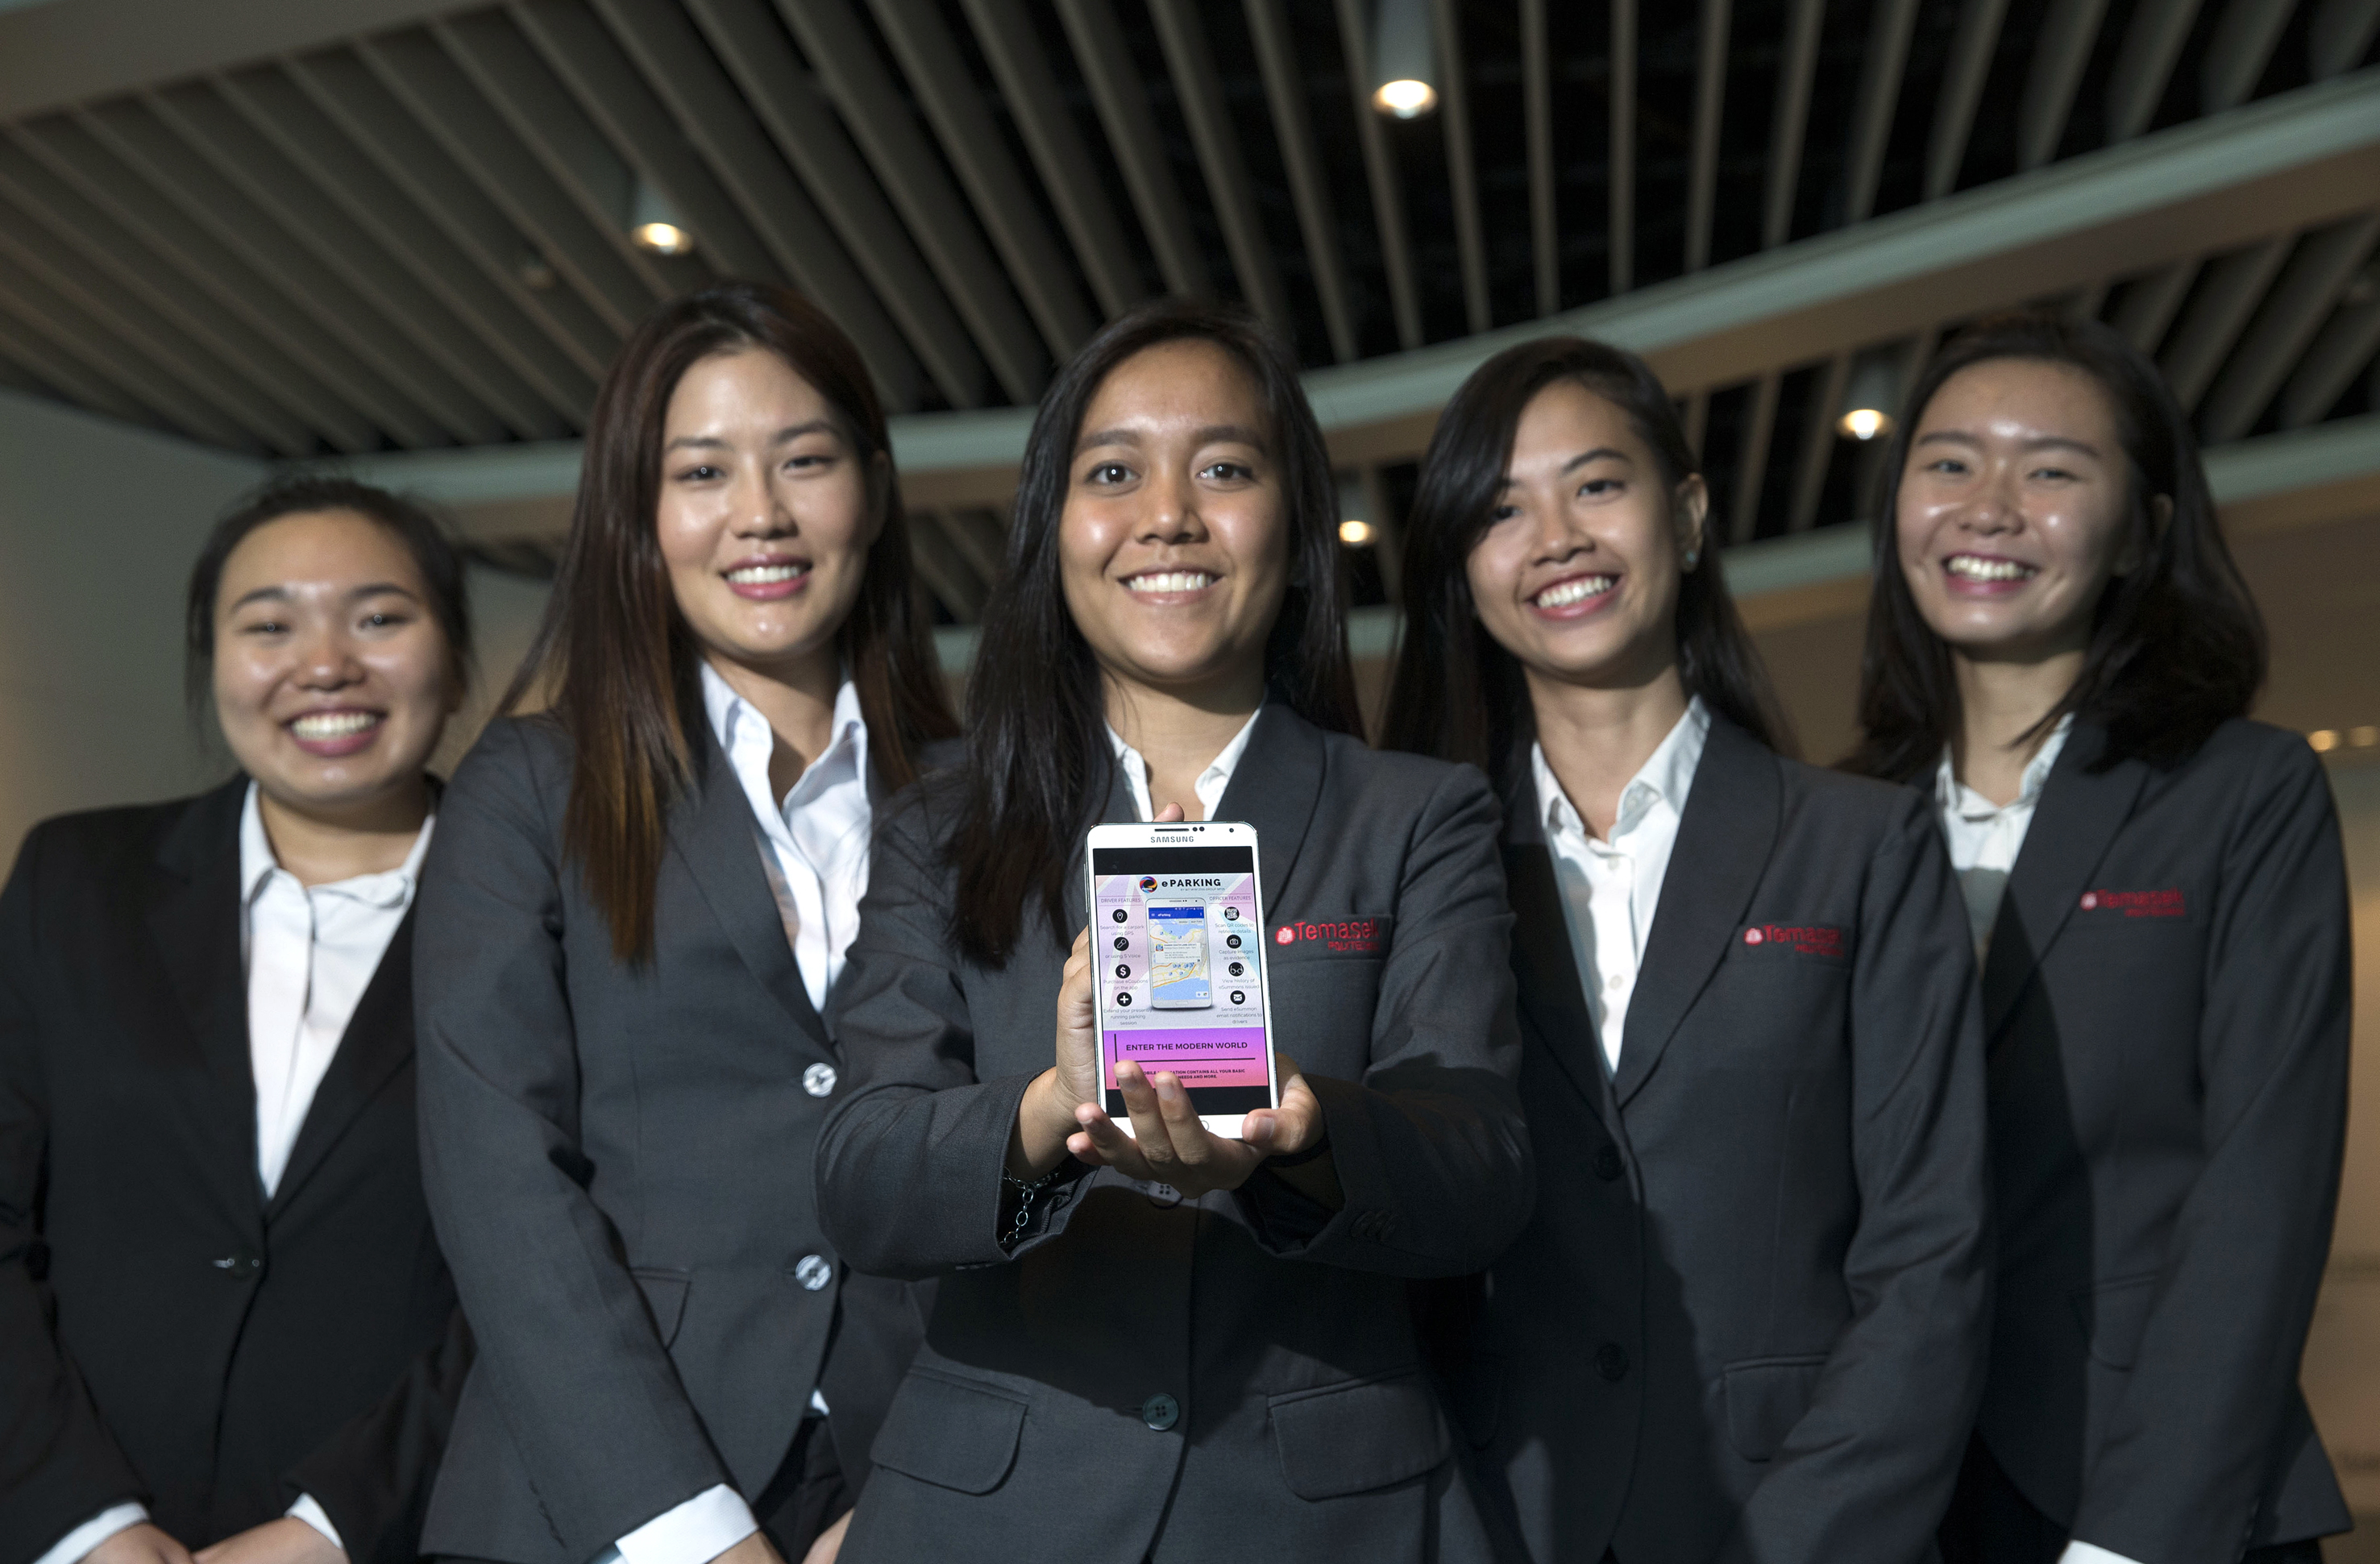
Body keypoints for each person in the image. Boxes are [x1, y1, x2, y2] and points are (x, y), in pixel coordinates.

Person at [812, 298, 1532, 1562]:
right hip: (991, 1518)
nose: (1168, 514)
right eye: (1112, 471)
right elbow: (858, 1173)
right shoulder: (942, 823)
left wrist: (1306, 1139)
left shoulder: (1416, 815)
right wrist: (1048, 1112)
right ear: (1052, 532)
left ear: (1299, 531)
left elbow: (1480, 1168)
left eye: (1224, 467)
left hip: (1319, 1521)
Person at [1381, 336, 1992, 1562]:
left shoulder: (1861, 845)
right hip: (1507, 1523)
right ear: (1463, 568)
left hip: (1798, 1526)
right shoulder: (1418, 864)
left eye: (1596, 485)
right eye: (1500, 509)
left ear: (1691, 512)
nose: (1554, 536)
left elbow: (1930, 1256)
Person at [410, 282, 957, 1564]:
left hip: (910, 1488)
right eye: (701, 470)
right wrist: (688, 1534)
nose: (758, 513)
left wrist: (925, 1497)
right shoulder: (531, 786)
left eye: (803, 461)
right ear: (640, 518)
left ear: (872, 490)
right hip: (602, 1498)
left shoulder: (982, 791)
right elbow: (500, 1183)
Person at [1843, 310, 2351, 1564]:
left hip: (2148, 1489)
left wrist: (2137, 1540)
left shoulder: (2240, 790)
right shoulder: (1834, 819)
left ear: (2143, 529)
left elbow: (2260, 1189)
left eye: (2052, 469)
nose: (1988, 505)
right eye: (1948, 462)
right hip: (1892, 1496)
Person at [1, 478, 476, 1564]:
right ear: (210, 660)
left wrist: (332, 1527)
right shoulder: (74, 883)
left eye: (379, 617)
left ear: (452, 659)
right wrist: (84, 1524)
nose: (324, 663)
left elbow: (555, 1276)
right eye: (269, 624)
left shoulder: (547, 926)